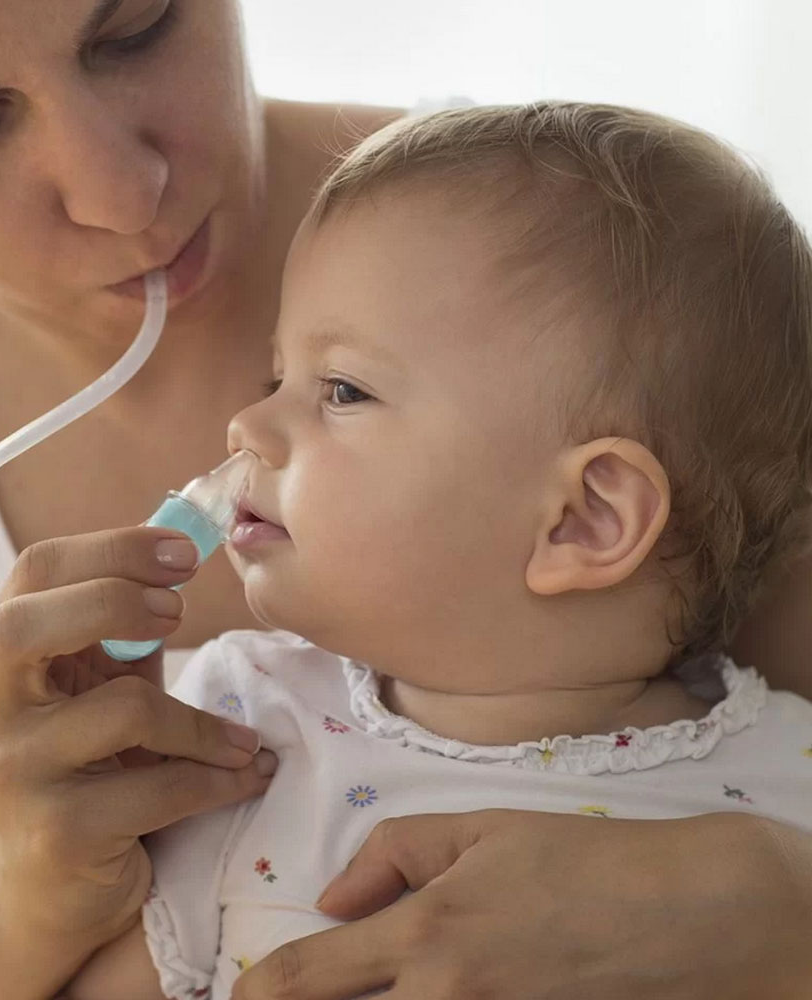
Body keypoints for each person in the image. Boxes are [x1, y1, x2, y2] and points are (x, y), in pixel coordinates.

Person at [0, 2, 807, 998]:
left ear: (588, 518)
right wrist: (20, 903)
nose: (122, 193)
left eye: (137, 28)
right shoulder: (247, 729)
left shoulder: (641, 293)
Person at [58, 101, 812, 999]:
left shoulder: (788, 781)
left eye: (342, 389)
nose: (248, 423)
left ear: (584, 520)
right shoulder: (237, 728)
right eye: (278, 376)